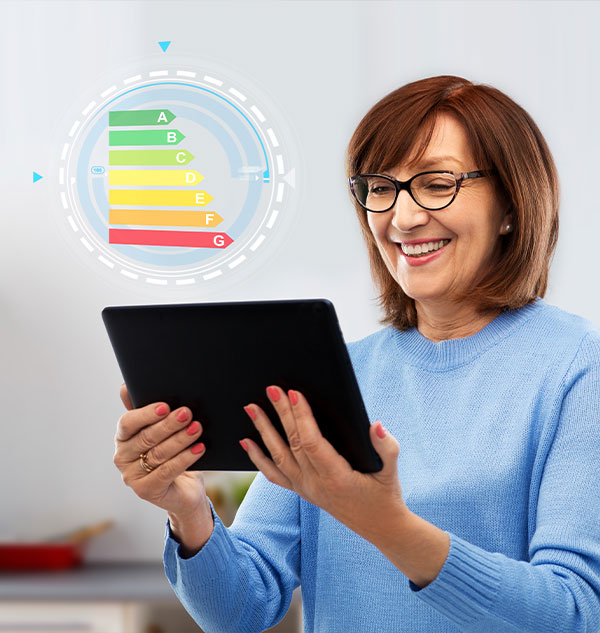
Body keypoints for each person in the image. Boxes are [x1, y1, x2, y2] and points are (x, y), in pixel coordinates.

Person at [113, 75, 600, 633]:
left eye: (437, 183)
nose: (403, 217)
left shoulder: (576, 367)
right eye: (380, 188)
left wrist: (387, 526)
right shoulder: (336, 374)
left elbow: (574, 613)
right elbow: (243, 609)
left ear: (511, 207)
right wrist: (188, 510)